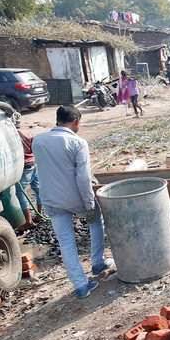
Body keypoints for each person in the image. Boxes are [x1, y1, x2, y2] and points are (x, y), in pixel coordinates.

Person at [32, 106, 113, 299]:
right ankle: (97, 262)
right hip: (75, 197)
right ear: (77, 121)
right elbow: (83, 178)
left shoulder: (38, 140)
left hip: (51, 200)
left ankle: (81, 286)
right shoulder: (78, 143)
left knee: (66, 242)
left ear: (58, 119)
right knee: (95, 223)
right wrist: (89, 205)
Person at [16, 122, 43, 231]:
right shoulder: (27, 133)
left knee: (20, 191)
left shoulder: (12, 134)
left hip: (24, 165)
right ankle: (40, 215)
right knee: (38, 189)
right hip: (33, 162)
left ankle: (28, 222)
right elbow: (33, 148)